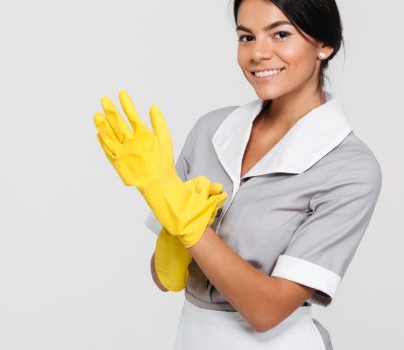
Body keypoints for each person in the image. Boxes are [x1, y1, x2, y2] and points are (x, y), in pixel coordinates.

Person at [95, 0, 382, 348]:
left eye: (280, 34)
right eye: (246, 37)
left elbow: (266, 311)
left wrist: (187, 223)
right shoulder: (211, 131)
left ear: (324, 45)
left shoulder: (348, 169)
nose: (259, 53)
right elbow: (162, 277)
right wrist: (163, 212)